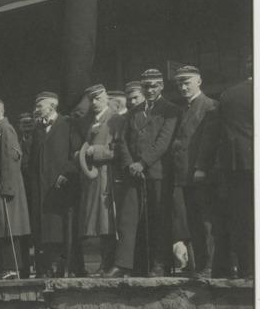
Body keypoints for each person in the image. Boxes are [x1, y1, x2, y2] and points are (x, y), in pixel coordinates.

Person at [108, 69, 180, 277]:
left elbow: (163, 142)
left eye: (154, 85)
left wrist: (143, 162)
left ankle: (159, 263)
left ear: (162, 86)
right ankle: (125, 264)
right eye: (146, 86)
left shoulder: (170, 110)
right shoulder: (133, 112)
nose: (150, 90)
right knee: (128, 218)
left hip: (156, 172)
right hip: (133, 173)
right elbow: (122, 140)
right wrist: (131, 164)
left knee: (158, 217)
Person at [169, 65, 218, 277]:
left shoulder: (210, 106)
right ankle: (200, 265)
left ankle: (210, 265)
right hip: (184, 175)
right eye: (179, 83)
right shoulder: (184, 109)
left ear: (199, 81)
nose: (183, 86)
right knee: (193, 221)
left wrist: (201, 168)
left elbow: (209, 142)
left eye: (187, 81)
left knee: (206, 220)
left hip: (200, 175)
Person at [204, 66, 253, 279]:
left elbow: (218, 131)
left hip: (235, 165)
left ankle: (247, 268)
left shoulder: (229, 95)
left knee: (242, 217)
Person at [24, 92, 79, 277]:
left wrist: (66, 173)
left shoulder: (67, 123)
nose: (36, 109)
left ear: (52, 106)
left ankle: (60, 266)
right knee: (43, 227)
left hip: (60, 186)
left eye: (40, 106)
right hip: (41, 187)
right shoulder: (38, 128)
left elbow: (76, 153)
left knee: (58, 227)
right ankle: (45, 267)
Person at [0, 98, 31, 279]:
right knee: (1, 228)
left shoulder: (5, 130)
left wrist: (7, 188)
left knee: (10, 227)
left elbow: (10, 159)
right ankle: (6, 267)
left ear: (1, 111)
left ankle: (13, 267)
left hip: (5, 189)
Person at [76, 85, 118, 274]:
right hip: (93, 177)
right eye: (91, 99)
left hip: (107, 176)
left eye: (98, 98)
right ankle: (103, 263)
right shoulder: (91, 121)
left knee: (107, 220)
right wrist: (82, 152)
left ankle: (108, 263)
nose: (94, 103)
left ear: (107, 98)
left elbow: (117, 148)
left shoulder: (114, 119)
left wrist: (96, 150)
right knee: (98, 222)